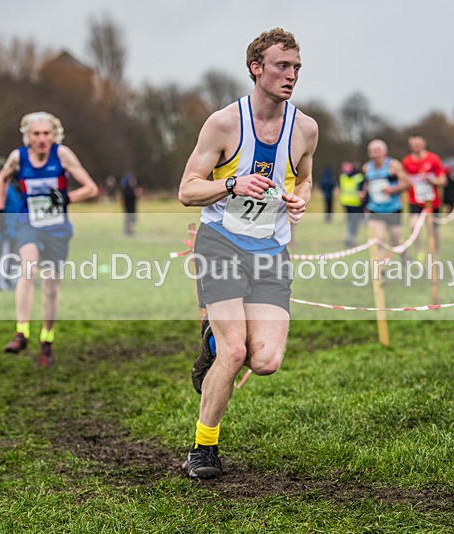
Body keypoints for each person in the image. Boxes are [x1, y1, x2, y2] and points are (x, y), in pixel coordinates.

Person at [177, 27, 318, 479]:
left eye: (296, 66)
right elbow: (187, 190)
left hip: (271, 251)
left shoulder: (307, 129)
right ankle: (204, 449)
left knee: (266, 361)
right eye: (282, 65)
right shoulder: (223, 123)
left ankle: (212, 340)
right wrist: (233, 183)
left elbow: (305, 179)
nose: (291, 74)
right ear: (256, 68)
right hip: (221, 242)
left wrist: (301, 200)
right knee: (236, 353)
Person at [0, 111, 99, 366]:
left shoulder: (62, 155)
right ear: (27, 137)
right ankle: (21, 332)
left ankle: (47, 339)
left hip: (56, 229)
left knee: (51, 289)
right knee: (27, 270)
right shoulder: (17, 158)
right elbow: (2, 179)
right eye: (36, 134)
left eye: (46, 133)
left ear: (54, 135)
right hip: (28, 223)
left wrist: (67, 198)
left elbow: (91, 187)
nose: (42, 139)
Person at [401, 134, 446, 258]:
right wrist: (407, 181)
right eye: (414, 145)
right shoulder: (406, 161)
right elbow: (403, 180)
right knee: (413, 226)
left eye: (419, 144)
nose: (417, 147)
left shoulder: (433, 159)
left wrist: (431, 180)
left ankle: (435, 253)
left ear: (424, 144)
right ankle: (420, 252)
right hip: (415, 200)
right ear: (410, 146)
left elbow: (443, 180)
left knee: (434, 231)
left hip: (432, 201)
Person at [363, 140, 409, 258]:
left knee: (396, 240)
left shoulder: (393, 165)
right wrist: (363, 193)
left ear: (384, 152)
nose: (375, 155)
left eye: (377, 152)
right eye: (372, 152)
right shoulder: (367, 167)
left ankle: (404, 255)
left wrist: (393, 189)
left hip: (393, 209)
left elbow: (407, 183)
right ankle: (381, 271)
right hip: (375, 209)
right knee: (378, 239)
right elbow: (368, 184)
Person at [0, 157, 22, 291]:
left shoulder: (10, 184)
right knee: (5, 254)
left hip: (14, 226)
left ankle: (13, 280)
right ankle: (2, 281)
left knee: (14, 255)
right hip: (5, 227)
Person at [338, 160, 365, 247]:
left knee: (354, 222)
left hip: (357, 203)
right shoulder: (343, 176)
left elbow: (362, 190)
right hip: (347, 203)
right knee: (352, 222)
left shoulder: (359, 177)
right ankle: (350, 237)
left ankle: (350, 237)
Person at [120, 172, 141, 236]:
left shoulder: (130, 189)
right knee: (130, 219)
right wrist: (136, 194)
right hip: (129, 207)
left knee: (130, 219)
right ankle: (129, 231)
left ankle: (129, 230)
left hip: (130, 206)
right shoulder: (128, 190)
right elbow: (130, 197)